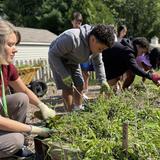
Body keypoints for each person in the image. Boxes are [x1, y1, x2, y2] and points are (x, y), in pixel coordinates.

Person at [0, 20, 55, 159]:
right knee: (15, 140)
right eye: (10, 44)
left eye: (15, 44)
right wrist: (33, 129)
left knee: (21, 98)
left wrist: (42, 105)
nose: (15, 49)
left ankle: (16, 148)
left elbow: (24, 91)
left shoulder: (6, 66)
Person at [48, 24, 115, 112]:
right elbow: (53, 54)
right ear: (93, 39)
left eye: (103, 49)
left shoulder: (96, 46)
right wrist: (64, 75)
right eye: (100, 49)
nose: (101, 51)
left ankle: (78, 108)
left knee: (80, 84)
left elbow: (98, 64)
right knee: (68, 88)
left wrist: (103, 81)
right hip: (58, 59)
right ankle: (70, 114)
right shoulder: (72, 38)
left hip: (73, 61)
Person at [71, 12, 94, 97]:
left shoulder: (83, 31)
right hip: (75, 56)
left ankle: (85, 89)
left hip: (84, 55)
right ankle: (78, 91)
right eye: (76, 22)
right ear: (72, 22)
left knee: (86, 73)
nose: (78, 25)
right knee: (78, 74)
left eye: (79, 23)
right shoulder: (71, 32)